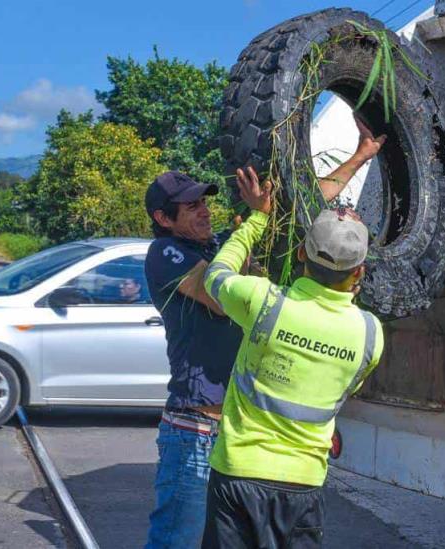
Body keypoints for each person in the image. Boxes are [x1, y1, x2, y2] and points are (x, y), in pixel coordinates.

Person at [143, 115, 385, 549]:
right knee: (176, 542)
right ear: (163, 218)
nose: (204, 210)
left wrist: (359, 157)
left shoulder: (221, 244)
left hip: (234, 437)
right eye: (191, 206)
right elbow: (217, 293)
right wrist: (253, 236)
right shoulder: (165, 253)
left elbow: (305, 215)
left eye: (204, 202)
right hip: (195, 429)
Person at [201, 167, 384, 548]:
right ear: (359, 272)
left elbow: (215, 274)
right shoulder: (370, 335)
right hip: (303, 486)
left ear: (301, 253)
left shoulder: (263, 302)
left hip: (238, 475)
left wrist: (257, 219)